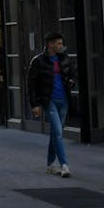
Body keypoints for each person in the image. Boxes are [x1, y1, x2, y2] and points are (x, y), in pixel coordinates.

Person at [27, 32, 77, 178]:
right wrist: (34, 104)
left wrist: (71, 81)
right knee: (59, 133)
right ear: (50, 44)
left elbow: (73, 73)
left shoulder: (65, 59)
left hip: (64, 101)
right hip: (49, 101)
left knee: (56, 133)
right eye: (59, 43)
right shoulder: (38, 61)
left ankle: (50, 164)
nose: (62, 46)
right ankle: (64, 165)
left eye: (62, 43)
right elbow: (31, 84)